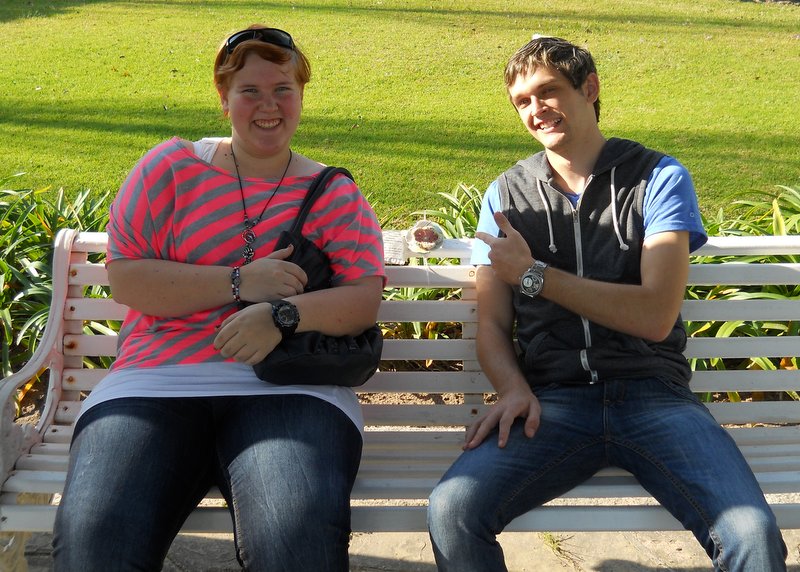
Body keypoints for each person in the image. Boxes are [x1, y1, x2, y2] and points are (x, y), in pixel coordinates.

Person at [427, 35, 787, 572]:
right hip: (552, 404)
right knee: (452, 509)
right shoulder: (505, 195)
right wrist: (512, 387)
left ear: (590, 88)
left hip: (654, 397)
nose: (535, 109)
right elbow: (494, 324)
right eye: (522, 101)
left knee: (751, 534)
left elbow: (654, 316)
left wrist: (534, 276)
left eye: (548, 91)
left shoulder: (658, 177)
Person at [52, 25, 385, 571]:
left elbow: (362, 301)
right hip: (154, 382)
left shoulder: (332, 194)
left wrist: (282, 316)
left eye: (282, 90)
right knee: (96, 542)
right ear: (223, 96)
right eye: (250, 91)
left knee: (295, 545)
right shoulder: (169, 169)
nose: (268, 106)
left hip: (291, 389)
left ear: (301, 96)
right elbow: (128, 279)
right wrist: (238, 281)